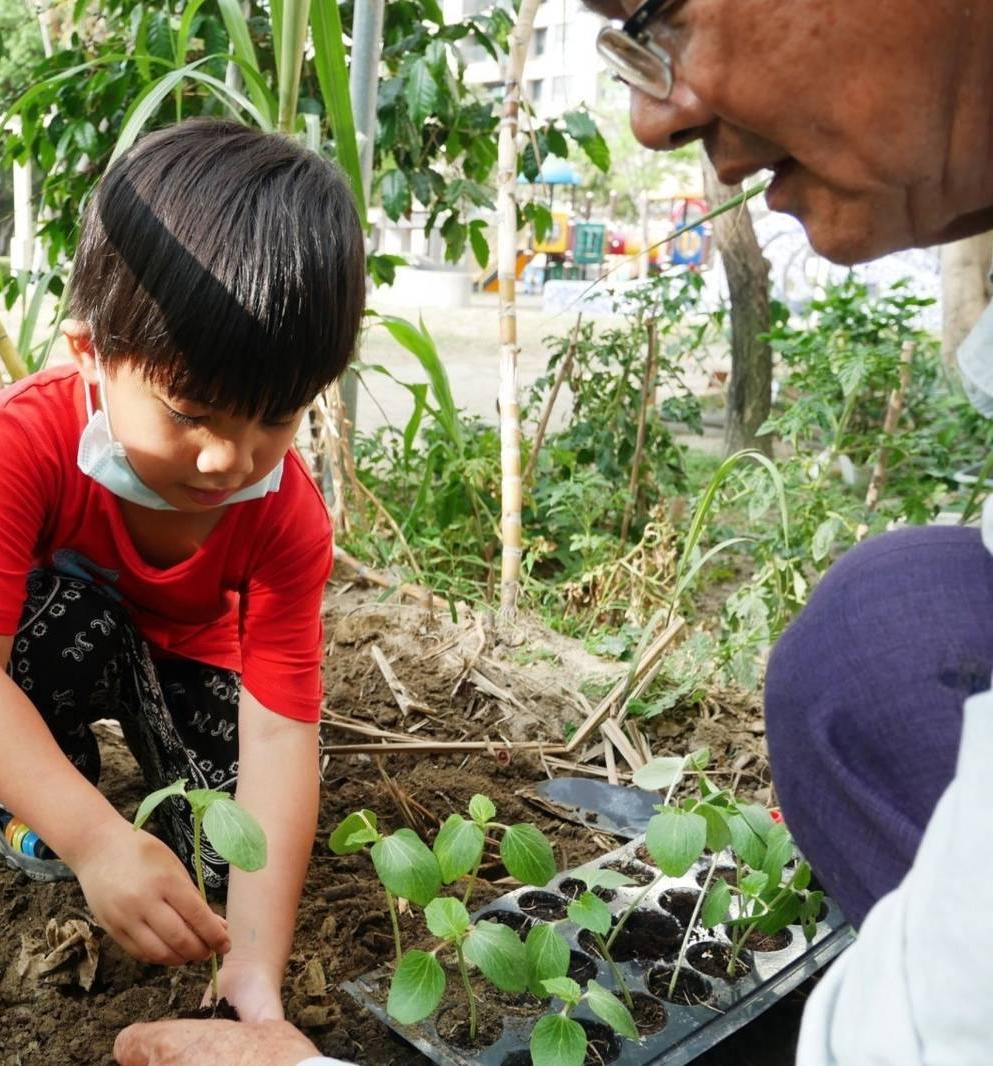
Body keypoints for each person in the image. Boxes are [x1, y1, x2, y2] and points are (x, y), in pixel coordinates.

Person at [116, 1, 993, 1062]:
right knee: (873, 640)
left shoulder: (279, 515)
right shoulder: (33, 451)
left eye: (654, 13)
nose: (649, 122)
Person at [0, 118, 364, 1023]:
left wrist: (252, 975)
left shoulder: (285, 517)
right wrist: (95, 841)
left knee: (215, 869)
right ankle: (35, 785)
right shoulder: (23, 439)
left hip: (189, 665)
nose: (228, 462)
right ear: (91, 354)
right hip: (61, 643)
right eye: (192, 413)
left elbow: (281, 736)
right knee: (62, 615)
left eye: (274, 421)